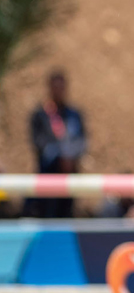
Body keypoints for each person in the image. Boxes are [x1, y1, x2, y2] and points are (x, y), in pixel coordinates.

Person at [25, 70, 88, 218]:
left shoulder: (74, 114)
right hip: (49, 175)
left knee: (66, 215)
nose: (59, 91)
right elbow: (38, 142)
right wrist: (61, 156)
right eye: (56, 87)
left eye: (62, 87)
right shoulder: (41, 115)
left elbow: (82, 140)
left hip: (70, 175)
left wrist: (71, 157)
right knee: (48, 215)